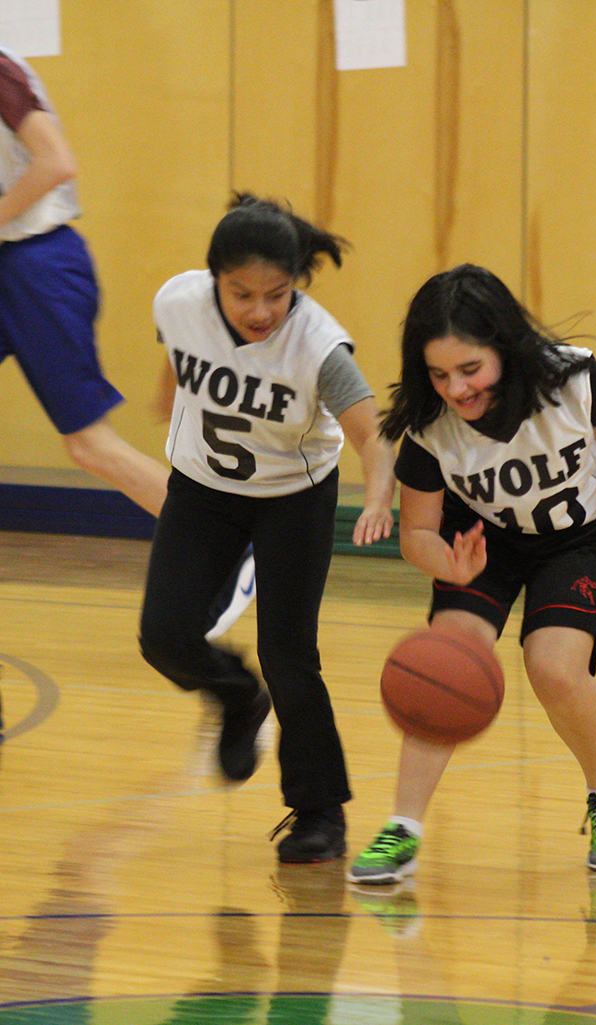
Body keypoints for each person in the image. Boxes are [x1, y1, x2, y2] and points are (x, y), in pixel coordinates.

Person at [348, 263, 596, 885]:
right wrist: (448, 563)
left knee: (553, 667)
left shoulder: (574, 381)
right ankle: (404, 825)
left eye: (470, 369)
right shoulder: (430, 427)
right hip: (485, 540)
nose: (456, 388)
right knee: (443, 664)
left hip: (583, 533)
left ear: (504, 346)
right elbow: (417, 535)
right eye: (439, 374)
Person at [139, 193, 396, 864]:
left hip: (293, 498)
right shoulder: (178, 301)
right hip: (202, 489)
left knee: (289, 656)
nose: (260, 310)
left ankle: (319, 812)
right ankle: (237, 697)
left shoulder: (318, 345)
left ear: (296, 286)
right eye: (241, 294)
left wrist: (378, 498)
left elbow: (372, 434)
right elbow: (179, 348)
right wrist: (167, 392)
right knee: (163, 636)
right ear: (213, 281)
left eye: (276, 295)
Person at [0, 45, 254, 637]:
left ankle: (232, 544)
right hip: (15, 265)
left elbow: (57, 162)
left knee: (90, 446)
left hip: (35, 269)